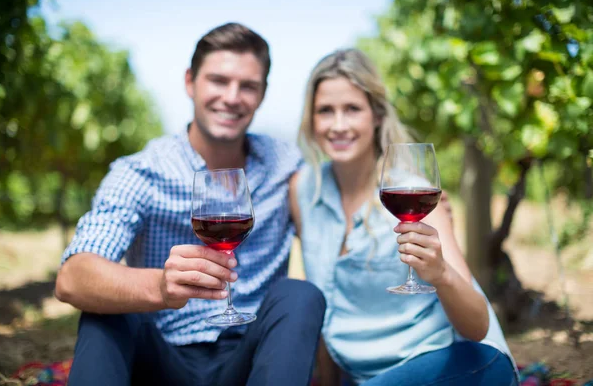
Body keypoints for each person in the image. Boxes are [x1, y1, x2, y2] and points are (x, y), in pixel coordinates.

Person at [54, 22, 326, 386]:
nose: (232, 97)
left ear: (262, 94)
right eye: (218, 80)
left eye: (247, 86)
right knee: (107, 307)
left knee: (299, 293)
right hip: (162, 361)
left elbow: (341, 214)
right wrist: (161, 288)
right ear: (189, 82)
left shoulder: (285, 166)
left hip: (252, 363)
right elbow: (72, 277)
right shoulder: (142, 172)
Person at [289, 48, 518, 385]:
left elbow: (477, 324)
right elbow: (326, 305)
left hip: (455, 365)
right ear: (311, 119)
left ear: (377, 115)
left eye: (352, 109)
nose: (338, 125)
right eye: (325, 111)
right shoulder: (304, 190)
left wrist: (440, 273)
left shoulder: (413, 194)